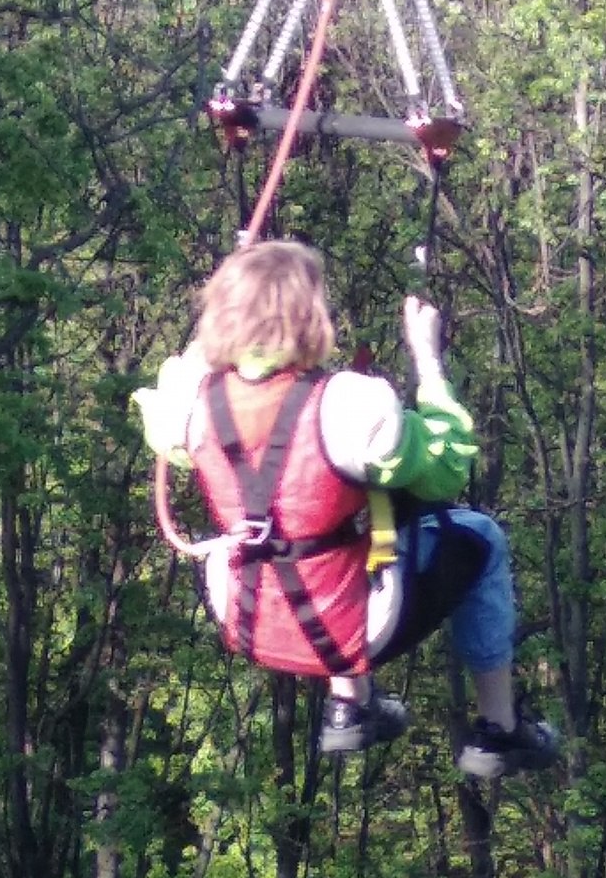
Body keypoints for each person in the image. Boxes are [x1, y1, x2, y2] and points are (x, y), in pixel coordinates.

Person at [134, 239, 557, 779]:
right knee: (479, 536)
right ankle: (499, 728)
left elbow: (185, 374)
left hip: (247, 616)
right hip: (348, 625)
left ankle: (349, 704)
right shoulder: (349, 405)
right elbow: (447, 468)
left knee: (322, 531)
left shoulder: (192, 404)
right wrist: (428, 361)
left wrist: (235, 282)